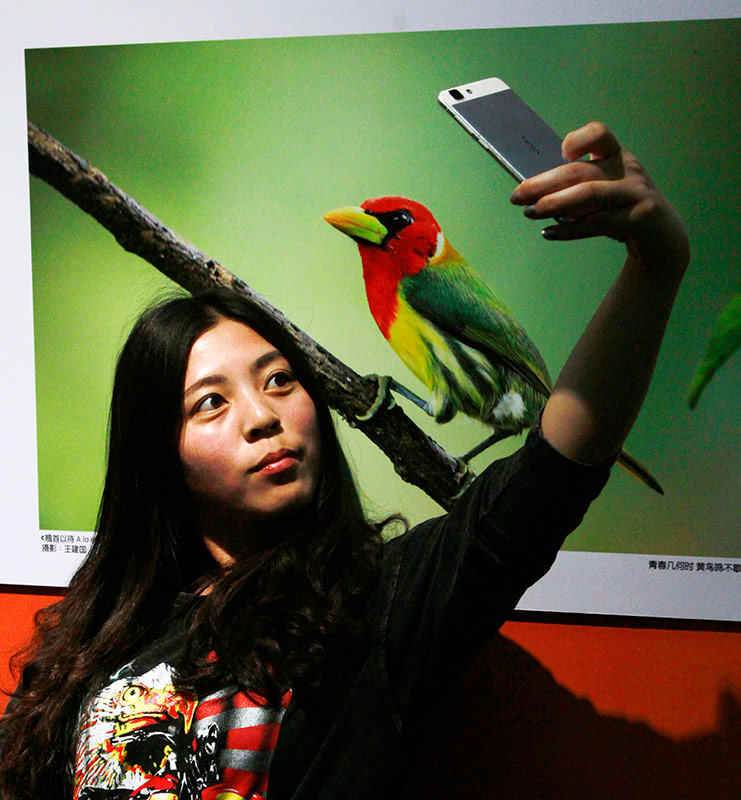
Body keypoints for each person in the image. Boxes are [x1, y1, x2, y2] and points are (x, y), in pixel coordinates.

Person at [0, 122, 689, 799]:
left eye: (278, 380)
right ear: (156, 451)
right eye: (210, 402)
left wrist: (653, 264)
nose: (263, 415)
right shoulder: (101, 631)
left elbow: (550, 473)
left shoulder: (383, 601)